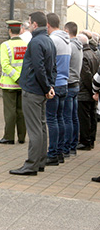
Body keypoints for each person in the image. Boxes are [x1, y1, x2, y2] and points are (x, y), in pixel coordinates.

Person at [10, 11, 56, 176]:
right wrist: (50, 86)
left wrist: (46, 87)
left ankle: (31, 165)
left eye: (29, 22)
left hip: (33, 90)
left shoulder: (36, 42)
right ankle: (40, 161)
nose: (28, 25)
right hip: (41, 90)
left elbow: (39, 68)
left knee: (35, 129)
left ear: (35, 24)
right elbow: (52, 68)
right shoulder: (49, 41)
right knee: (41, 126)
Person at [0, 20, 27, 145]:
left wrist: (16, 77)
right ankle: (21, 136)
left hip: (9, 83)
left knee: (10, 111)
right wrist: (22, 79)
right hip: (23, 83)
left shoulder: (5, 45)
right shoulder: (26, 45)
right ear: (20, 30)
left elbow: (5, 65)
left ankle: (8, 136)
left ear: (9, 31)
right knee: (21, 111)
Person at [45, 13, 71, 166]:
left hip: (55, 84)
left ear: (47, 25)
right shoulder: (66, 40)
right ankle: (60, 151)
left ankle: (53, 153)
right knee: (60, 118)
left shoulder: (53, 40)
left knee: (52, 120)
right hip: (64, 83)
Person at [62, 22, 82, 157]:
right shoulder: (79, 46)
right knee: (74, 117)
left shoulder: (71, 46)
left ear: (66, 30)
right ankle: (73, 145)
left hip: (69, 84)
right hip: (76, 84)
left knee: (67, 118)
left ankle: (67, 147)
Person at [77, 34, 99, 151]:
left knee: (84, 118)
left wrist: (91, 91)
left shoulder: (83, 56)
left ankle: (85, 141)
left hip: (85, 92)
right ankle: (91, 140)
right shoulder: (93, 54)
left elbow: (86, 76)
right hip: (91, 92)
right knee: (92, 116)